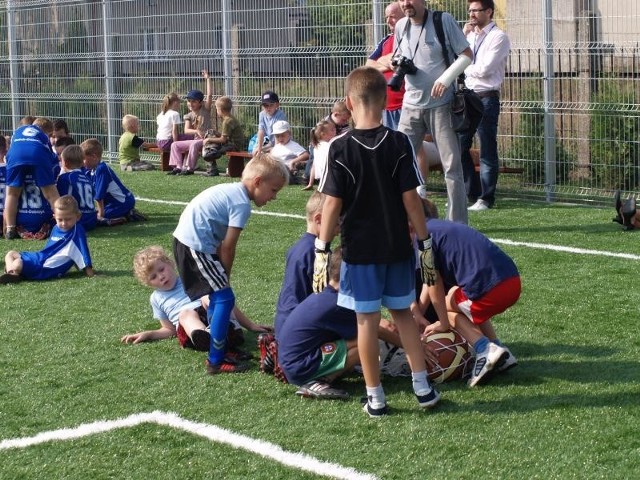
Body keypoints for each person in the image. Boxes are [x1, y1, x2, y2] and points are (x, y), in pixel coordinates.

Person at [315, 66, 444, 417]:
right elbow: (411, 201)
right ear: (386, 100)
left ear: (348, 102)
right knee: (403, 315)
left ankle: (376, 396)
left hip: (360, 253)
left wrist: (322, 250)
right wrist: (425, 243)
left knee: (366, 322)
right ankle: (423, 388)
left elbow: (330, 206)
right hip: (398, 249)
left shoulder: (339, 147)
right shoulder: (400, 142)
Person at [172, 153, 289, 374]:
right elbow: (228, 246)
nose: (273, 197)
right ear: (257, 182)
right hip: (194, 246)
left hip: (190, 244)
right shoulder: (241, 203)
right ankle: (215, 361)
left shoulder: (232, 192)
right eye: (273, 190)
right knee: (225, 297)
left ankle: (222, 348)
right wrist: (225, 276)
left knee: (220, 297)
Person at [417, 196, 520, 387]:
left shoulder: (423, 236)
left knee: (449, 309)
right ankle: (499, 350)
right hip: (511, 281)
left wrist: (443, 322)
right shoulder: (441, 228)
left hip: (490, 289)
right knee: (461, 300)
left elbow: (434, 283)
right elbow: (428, 280)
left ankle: (484, 349)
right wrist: (418, 313)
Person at [394, 0, 473, 224]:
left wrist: (446, 78)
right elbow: (399, 57)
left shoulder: (442, 20)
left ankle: (457, 224)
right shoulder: (401, 26)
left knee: (452, 167)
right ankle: (400, 218)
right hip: (410, 105)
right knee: (397, 161)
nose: (405, 3)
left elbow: (467, 54)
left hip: (441, 105)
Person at [279, 247, 358, 400]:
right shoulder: (338, 303)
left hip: (292, 362)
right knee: (366, 343)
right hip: (300, 367)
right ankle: (319, 381)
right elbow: (377, 329)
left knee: (363, 340)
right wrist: (414, 348)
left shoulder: (325, 296)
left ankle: (326, 372)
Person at [460, 0, 511, 211]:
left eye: (476, 10)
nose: (471, 14)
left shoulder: (498, 37)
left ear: (488, 12)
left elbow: (485, 69)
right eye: (470, 10)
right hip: (466, 96)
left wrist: (465, 67)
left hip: (486, 97)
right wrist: (462, 37)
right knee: (459, 145)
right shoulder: (470, 37)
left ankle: (486, 198)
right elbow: (454, 60)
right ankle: (471, 192)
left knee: (487, 147)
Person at [0, 195, 94, 284]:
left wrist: (90, 273)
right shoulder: (56, 228)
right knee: (10, 254)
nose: (64, 223)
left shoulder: (76, 231)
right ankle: (12, 273)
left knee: (17, 262)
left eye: (68, 219)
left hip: (45, 267)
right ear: (54, 217)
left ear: (78, 216)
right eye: (60, 219)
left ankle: (15, 272)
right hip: (41, 257)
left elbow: (83, 252)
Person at [3, 117, 60, 240]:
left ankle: (10, 228)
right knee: (50, 193)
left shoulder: (17, 132)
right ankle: (62, 223)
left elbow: (10, 151)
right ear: (48, 133)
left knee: (12, 194)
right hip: (37, 154)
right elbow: (51, 157)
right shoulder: (43, 136)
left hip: (15, 155)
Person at [80, 138, 146, 225]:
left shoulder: (101, 169)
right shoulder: (91, 170)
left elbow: (99, 196)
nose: (82, 162)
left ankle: (128, 216)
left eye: (83, 159)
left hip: (122, 203)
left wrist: (100, 215)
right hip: (114, 203)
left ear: (94, 157)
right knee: (90, 215)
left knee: (93, 218)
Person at [366, 2, 406, 129]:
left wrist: (382, 61)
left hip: (406, 105)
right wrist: (388, 64)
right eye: (386, 17)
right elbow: (369, 65)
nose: (389, 21)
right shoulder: (386, 41)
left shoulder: (410, 38)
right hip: (387, 106)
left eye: (393, 16)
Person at [168, 70, 213, 176]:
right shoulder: (189, 115)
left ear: (200, 102)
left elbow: (210, 95)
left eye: (193, 101)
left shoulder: (205, 110)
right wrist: (196, 130)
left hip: (206, 139)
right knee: (175, 145)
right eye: (189, 101)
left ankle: (190, 168)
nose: (190, 103)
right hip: (196, 140)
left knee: (193, 144)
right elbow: (186, 130)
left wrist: (207, 79)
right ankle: (178, 167)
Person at [56, 145, 97, 231]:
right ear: (82, 163)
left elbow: (60, 200)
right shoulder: (87, 178)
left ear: (65, 163)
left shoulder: (65, 178)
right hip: (92, 220)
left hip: (75, 221)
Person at [201, 96, 245, 177]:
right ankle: (212, 165)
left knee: (209, 149)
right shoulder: (229, 118)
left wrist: (208, 139)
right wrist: (214, 133)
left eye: (217, 109)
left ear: (220, 110)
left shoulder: (227, 121)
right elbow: (225, 136)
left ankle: (211, 169)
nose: (217, 111)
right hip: (232, 143)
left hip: (234, 146)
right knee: (210, 133)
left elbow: (223, 140)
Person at [302, 120, 337, 190]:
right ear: (323, 134)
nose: (335, 131)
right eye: (332, 130)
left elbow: (314, 165)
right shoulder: (329, 146)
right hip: (330, 178)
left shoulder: (317, 147)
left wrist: (310, 183)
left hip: (322, 179)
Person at [252, 90, 287, 155]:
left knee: (273, 154)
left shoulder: (280, 115)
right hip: (271, 142)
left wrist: (275, 149)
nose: (268, 108)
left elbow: (278, 134)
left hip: (282, 142)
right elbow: (261, 131)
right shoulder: (262, 114)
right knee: (255, 151)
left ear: (277, 105)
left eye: (271, 105)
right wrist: (259, 149)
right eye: (265, 105)